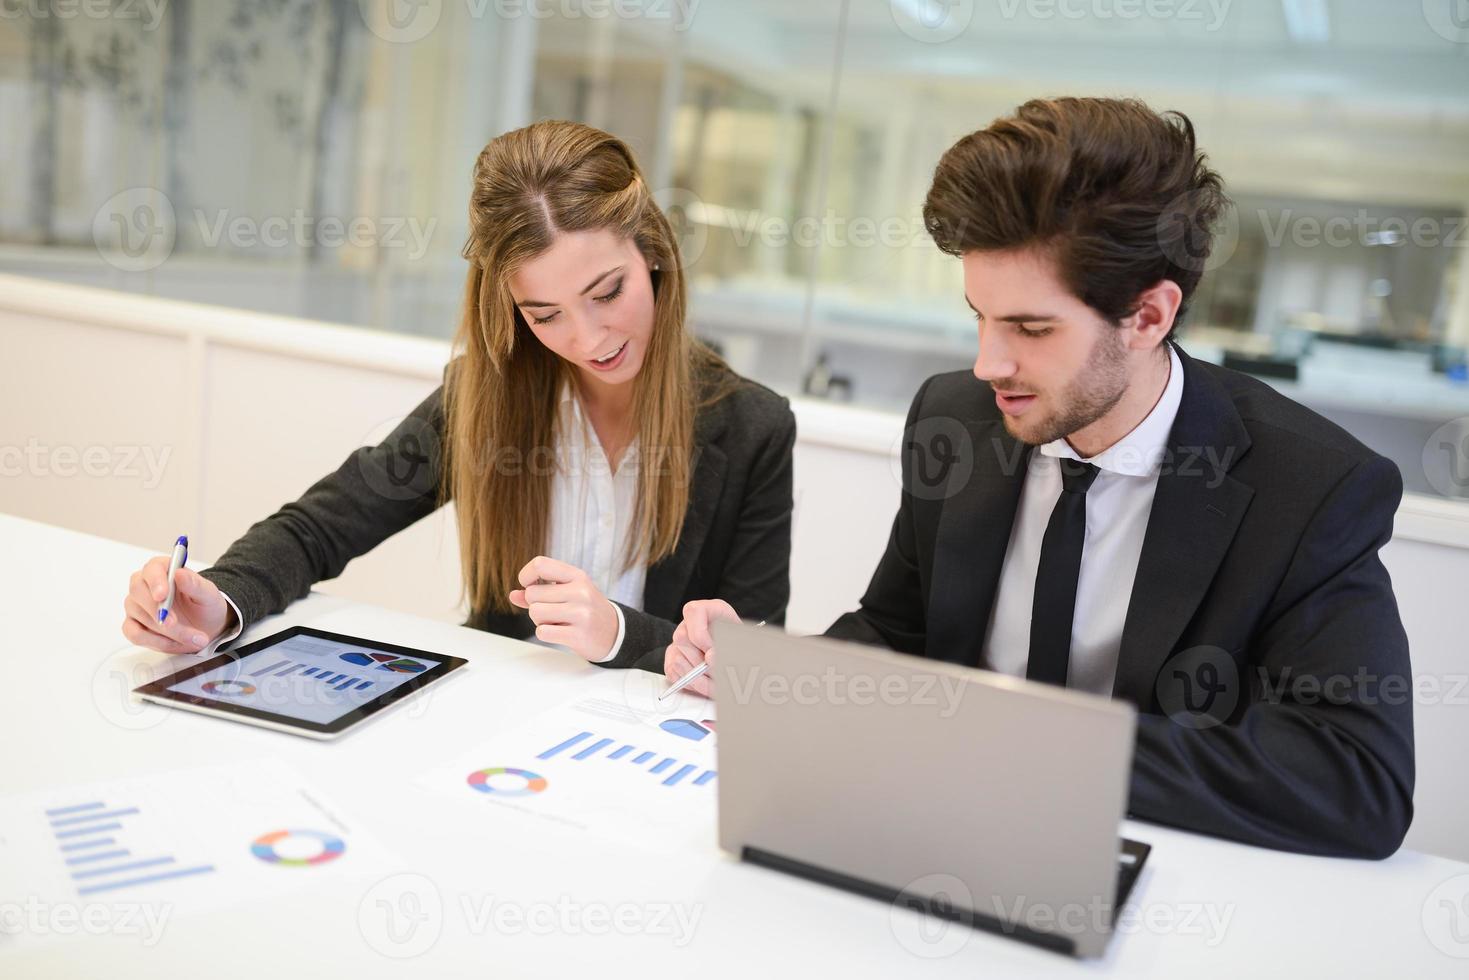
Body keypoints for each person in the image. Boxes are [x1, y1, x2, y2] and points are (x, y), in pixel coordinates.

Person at [667, 97, 1414, 860]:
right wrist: (786, 681)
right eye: (978, 318)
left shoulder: (1310, 486)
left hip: (1153, 867)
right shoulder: (952, 420)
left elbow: (1353, 780)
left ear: (1149, 316)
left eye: (1030, 328)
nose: (989, 363)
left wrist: (1020, 748)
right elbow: (896, 631)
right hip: (938, 842)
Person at [120, 120, 796, 672]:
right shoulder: (486, 395)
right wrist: (222, 601)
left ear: (652, 254)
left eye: (606, 292)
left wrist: (621, 634)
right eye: (544, 314)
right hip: (497, 718)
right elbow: (319, 528)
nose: (589, 338)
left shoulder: (752, 428)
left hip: (650, 743)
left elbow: (750, 658)